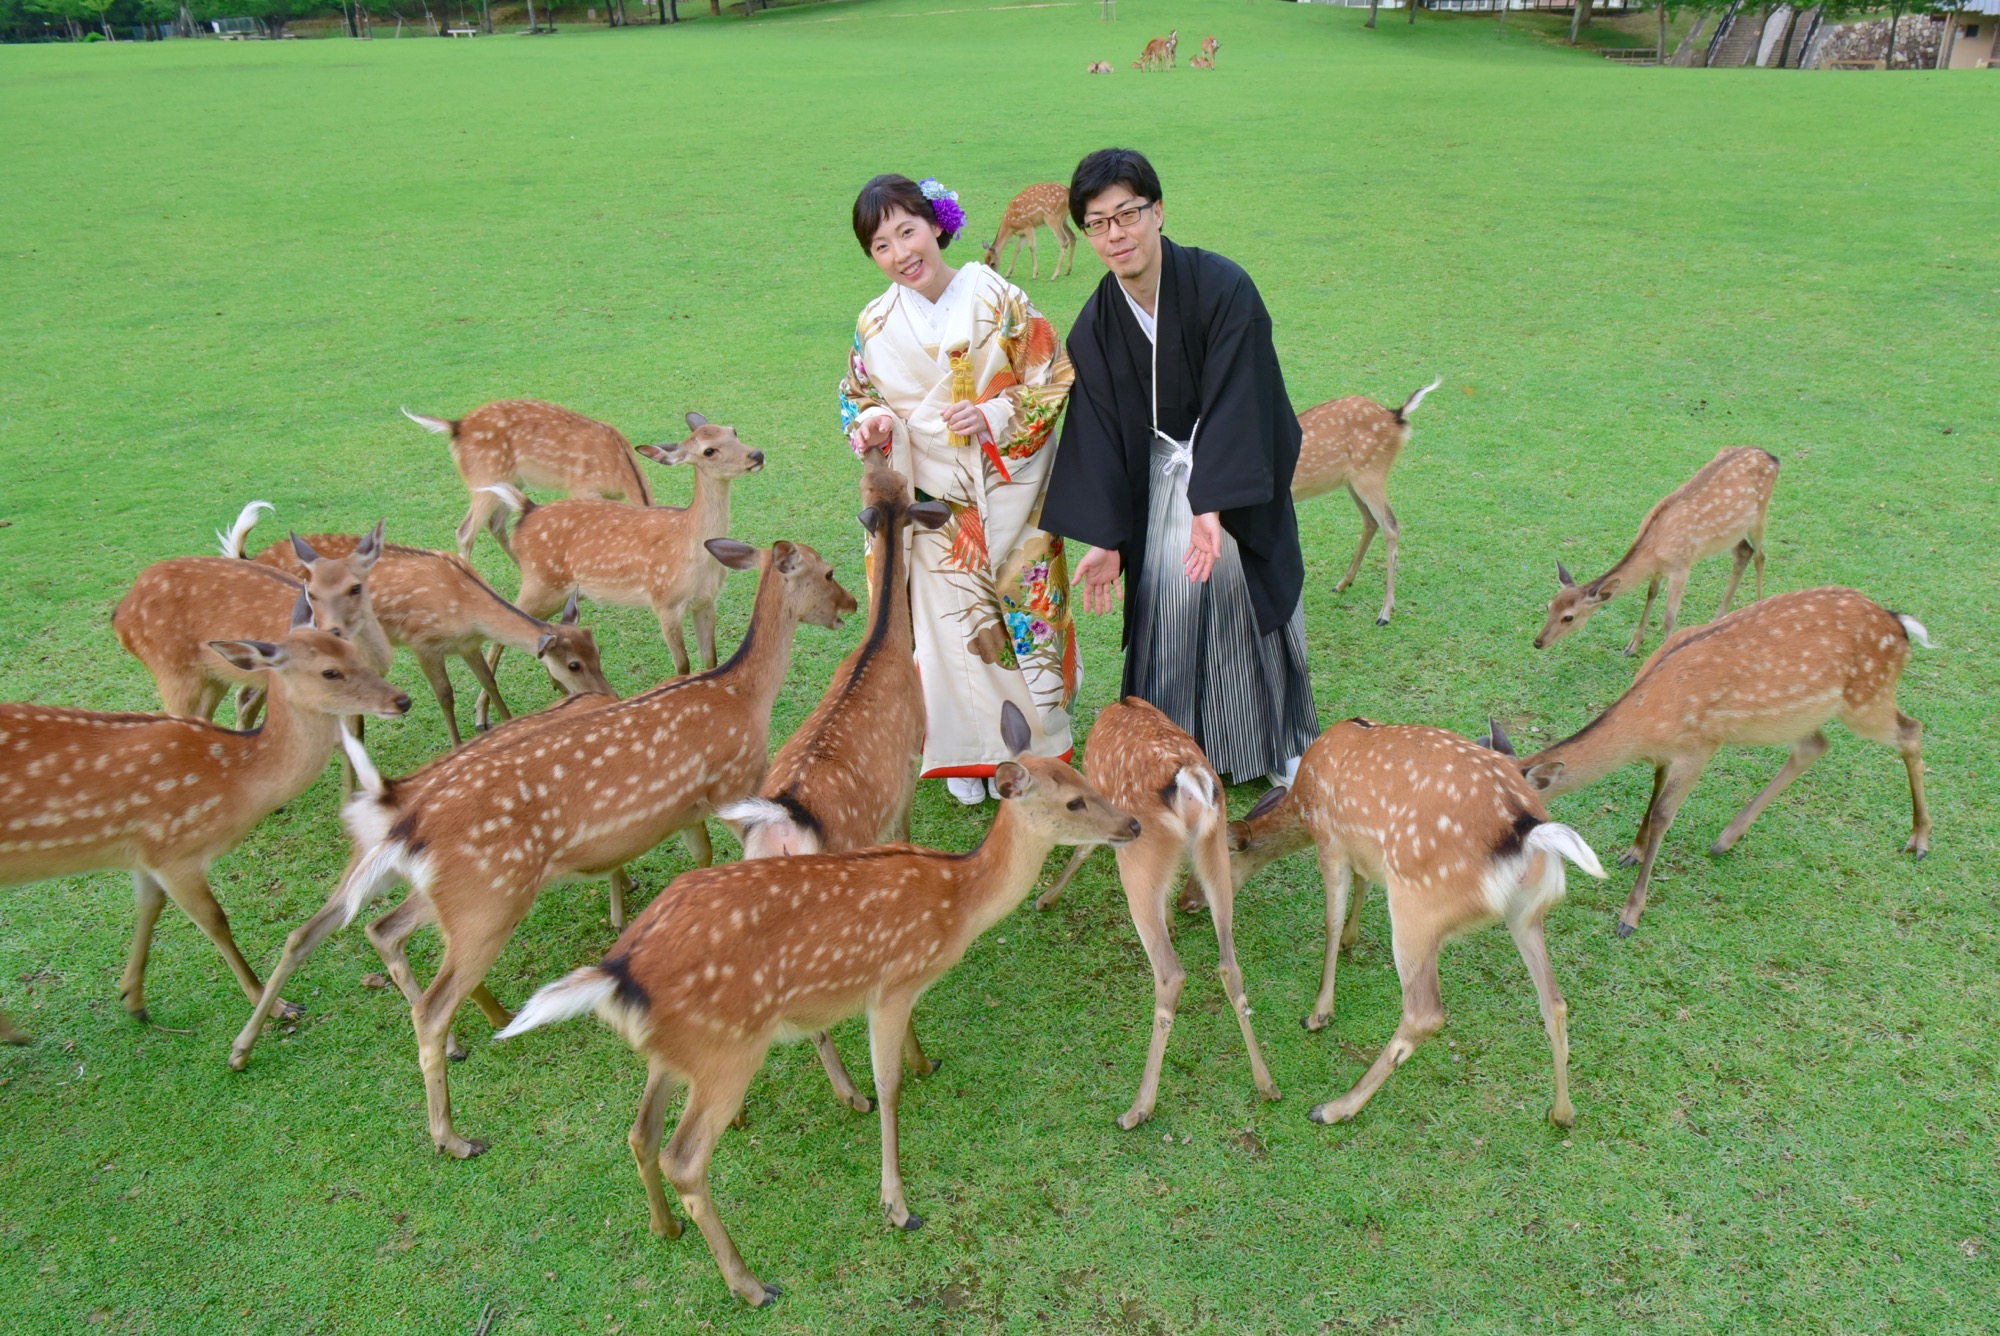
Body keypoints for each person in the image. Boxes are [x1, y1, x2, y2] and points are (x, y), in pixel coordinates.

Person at [1040, 148, 1317, 787]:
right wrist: (1107, 539)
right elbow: (1099, 434)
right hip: (1154, 490)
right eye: (1098, 224)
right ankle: (1176, 750)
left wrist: (1211, 501)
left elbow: (1244, 396)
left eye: (1128, 214)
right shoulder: (1096, 326)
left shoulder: (1224, 289)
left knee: (1246, 598)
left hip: (1229, 484)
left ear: (1157, 212)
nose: (1117, 235)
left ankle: (1277, 744)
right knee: (1168, 610)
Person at [838, 174, 1079, 805]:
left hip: (1006, 485)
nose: (900, 253)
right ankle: (965, 757)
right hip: (929, 501)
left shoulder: (995, 294)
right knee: (947, 629)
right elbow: (856, 395)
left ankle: (1031, 749)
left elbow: (1052, 374)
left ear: (937, 224)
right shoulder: (873, 321)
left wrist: (995, 415)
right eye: (881, 245)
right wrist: (870, 422)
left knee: (1016, 616)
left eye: (908, 231)